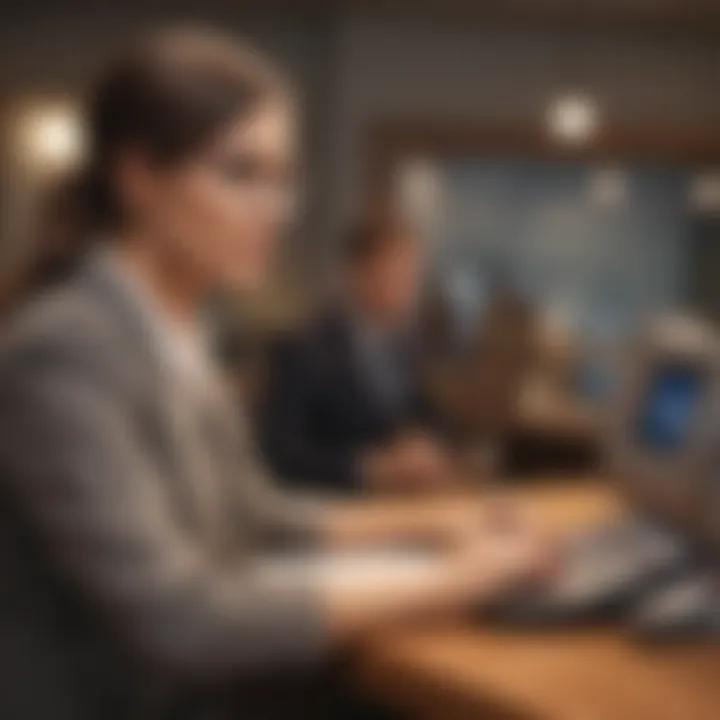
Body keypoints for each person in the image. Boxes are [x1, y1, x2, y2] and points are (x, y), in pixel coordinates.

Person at [0, 28, 549, 720]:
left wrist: (430, 530)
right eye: (241, 173)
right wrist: (453, 580)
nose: (279, 211)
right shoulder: (64, 350)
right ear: (137, 177)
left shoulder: (176, 331)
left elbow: (254, 514)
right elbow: (183, 621)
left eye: (285, 180)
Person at [256, 217, 450, 494]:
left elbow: (428, 418)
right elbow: (279, 455)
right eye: (396, 275)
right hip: (330, 507)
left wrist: (426, 447)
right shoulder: (304, 350)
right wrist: (368, 468)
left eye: (413, 276)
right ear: (357, 275)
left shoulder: (405, 348)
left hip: (396, 503)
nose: (410, 290)